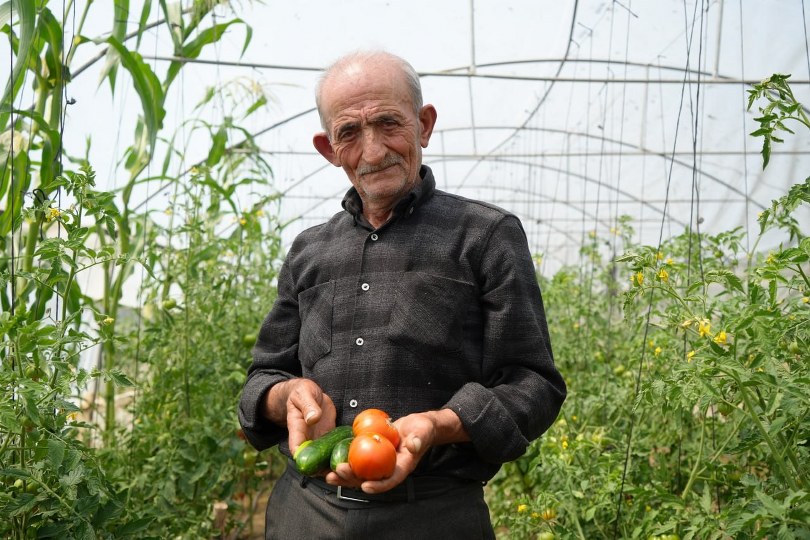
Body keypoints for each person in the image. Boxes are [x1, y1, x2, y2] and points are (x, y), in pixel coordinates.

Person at [238, 50, 566, 539]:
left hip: (433, 515)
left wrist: (441, 423)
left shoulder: (485, 236)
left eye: (388, 123)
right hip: (304, 514)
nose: (373, 152)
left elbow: (533, 383)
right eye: (349, 132)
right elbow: (262, 376)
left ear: (424, 125)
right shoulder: (310, 250)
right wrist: (284, 394)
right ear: (329, 148)